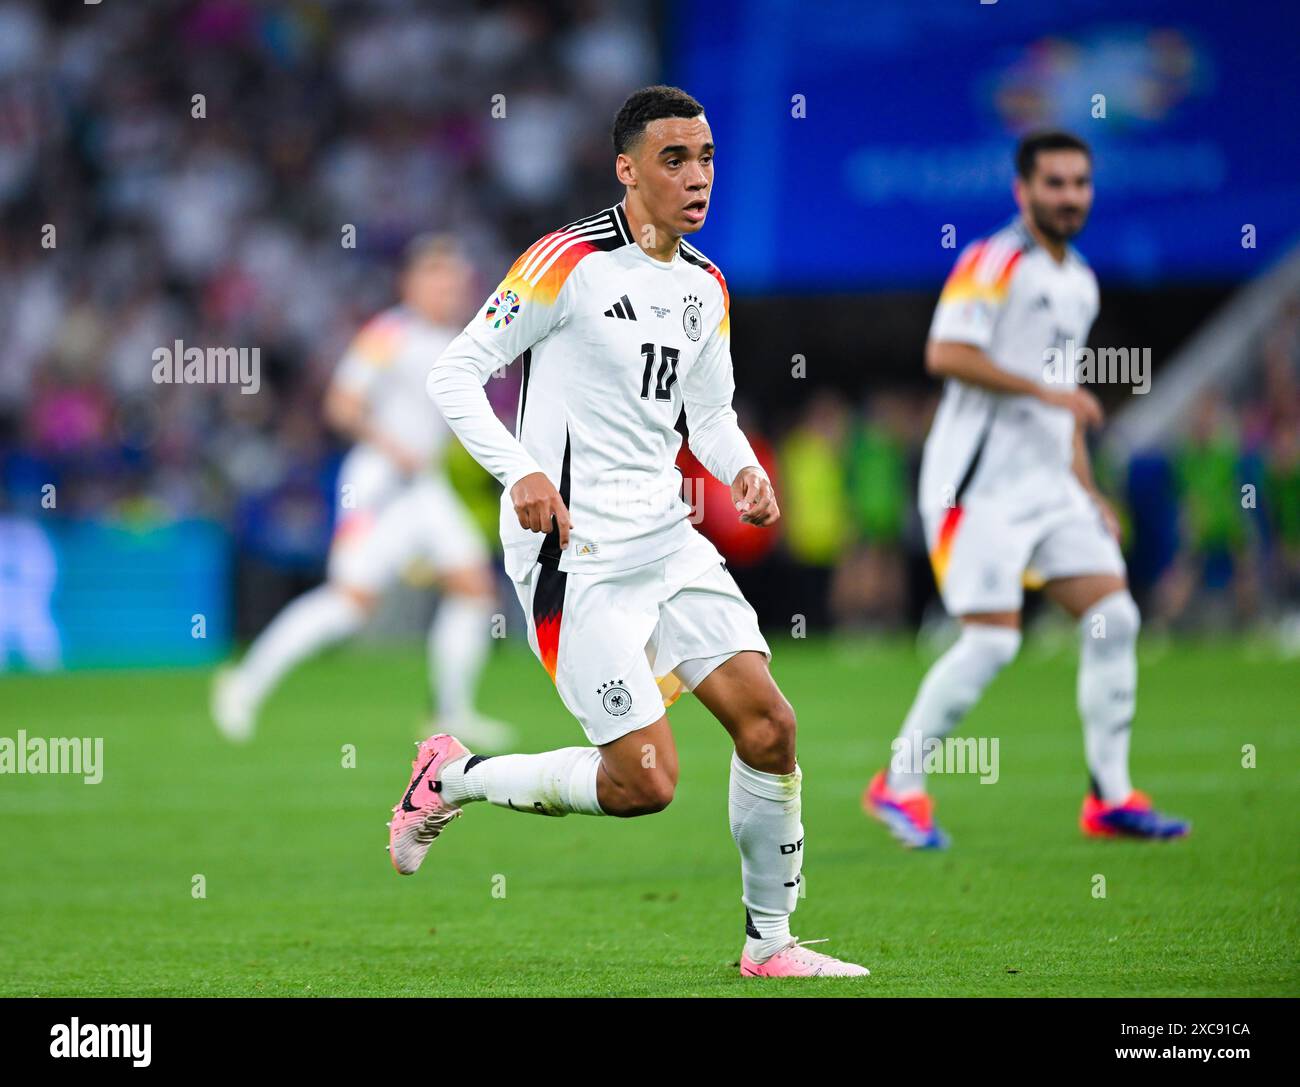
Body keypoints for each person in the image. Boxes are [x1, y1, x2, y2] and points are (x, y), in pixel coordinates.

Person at [389, 85, 868, 978]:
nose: (698, 177)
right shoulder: (565, 262)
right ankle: (452, 776)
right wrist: (522, 470)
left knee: (770, 726)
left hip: (668, 537)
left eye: (709, 158)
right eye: (675, 159)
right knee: (645, 782)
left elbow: (711, 416)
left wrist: (744, 471)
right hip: (576, 552)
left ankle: (771, 944)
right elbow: (455, 373)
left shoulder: (705, 285)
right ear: (627, 169)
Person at [864, 131, 1189, 848]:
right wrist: (1049, 391)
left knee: (1116, 618)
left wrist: (1088, 486)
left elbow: (1063, 398)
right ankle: (900, 783)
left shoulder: (1080, 280)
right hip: (975, 488)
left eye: (1079, 183)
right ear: (1023, 190)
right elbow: (945, 352)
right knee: (990, 644)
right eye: (1054, 183)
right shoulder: (994, 260)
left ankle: (1109, 795)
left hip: (1051, 487)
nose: (1069, 196)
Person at [212, 236, 514, 750]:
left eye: (457, 280)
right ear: (411, 283)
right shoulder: (388, 333)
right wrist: (393, 447)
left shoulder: (457, 339)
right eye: (439, 278)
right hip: (379, 484)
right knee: (350, 605)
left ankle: (449, 711)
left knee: (474, 589)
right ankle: (243, 683)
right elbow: (342, 404)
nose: (450, 289)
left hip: (425, 487)